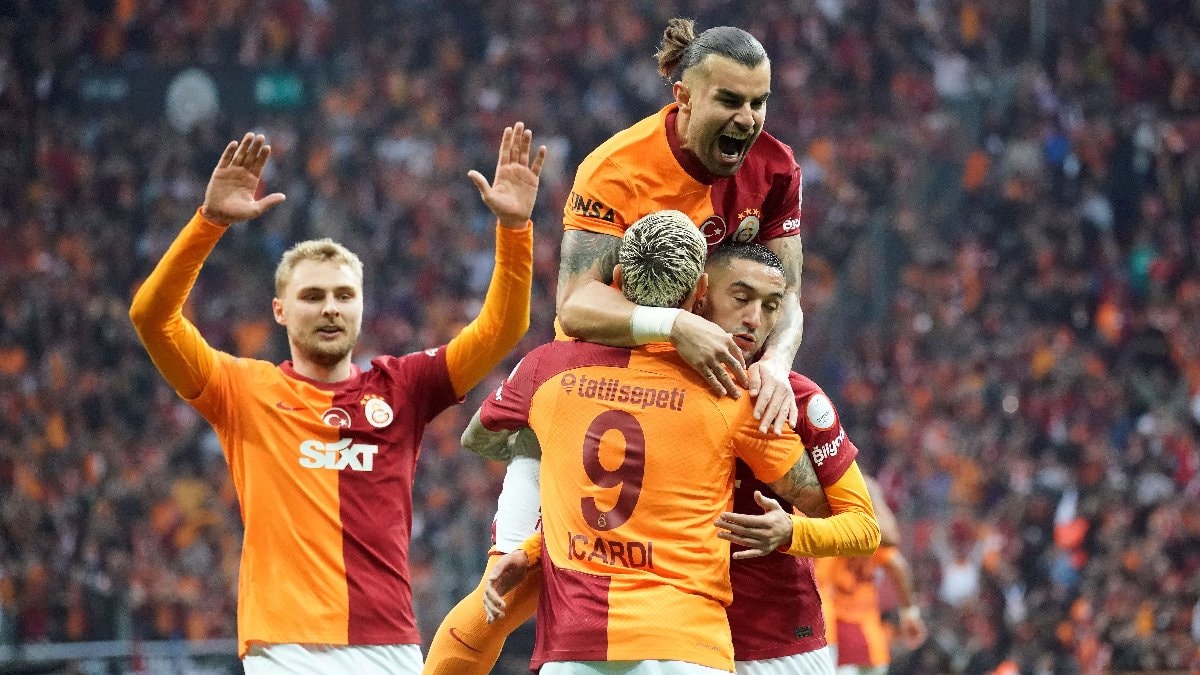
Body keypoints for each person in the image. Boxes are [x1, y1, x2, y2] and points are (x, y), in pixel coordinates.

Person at [128, 125, 546, 673]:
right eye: (312, 296)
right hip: (286, 648)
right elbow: (152, 318)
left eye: (344, 295)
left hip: (391, 646)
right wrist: (209, 223)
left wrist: (514, 228)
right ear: (280, 311)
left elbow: (502, 327)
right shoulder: (243, 390)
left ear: (361, 307)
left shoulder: (404, 387)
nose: (330, 307)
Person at [474, 212, 880, 674]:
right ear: (701, 295)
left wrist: (791, 533)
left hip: (777, 644)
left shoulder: (795, 400)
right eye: (741, 298)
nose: (754, 319)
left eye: (771, 306)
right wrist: (531, 550)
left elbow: (864, 528)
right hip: (682, 638)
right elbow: (618, 507)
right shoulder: (645, 384)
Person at [556, 17, 806, 434]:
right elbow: (575, 306)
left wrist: (777, 362)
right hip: (613, 369)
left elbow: (788, 294)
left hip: (718, 371)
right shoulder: (615, 170)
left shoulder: (776, 169)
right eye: (729, 101)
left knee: (814, 424)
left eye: (758, 103)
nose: (747, 119)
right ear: (684, 96)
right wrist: (673, 325)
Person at [815, 478, 928, 675]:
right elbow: (898, 562)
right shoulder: (869, 533)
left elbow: (893, 542)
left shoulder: (834, 521)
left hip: (834, 632)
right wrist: (910, 614)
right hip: (868, 639)